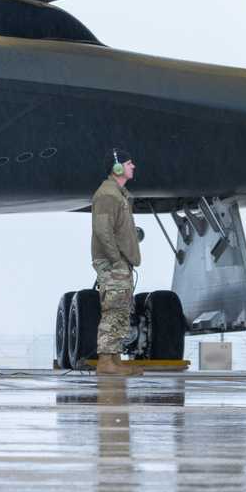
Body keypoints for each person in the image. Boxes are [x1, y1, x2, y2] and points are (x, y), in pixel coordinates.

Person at [90, 149, 142, 375]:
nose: (133, 167)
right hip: (113, 263)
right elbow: (103, 230)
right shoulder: (107, 195)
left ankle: (114, 359)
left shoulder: (119, 194)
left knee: (121, 309)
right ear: (117, 167)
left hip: (121, 262)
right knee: (113, 309)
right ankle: (105, 362)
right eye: (129, 163)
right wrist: (115, 259)